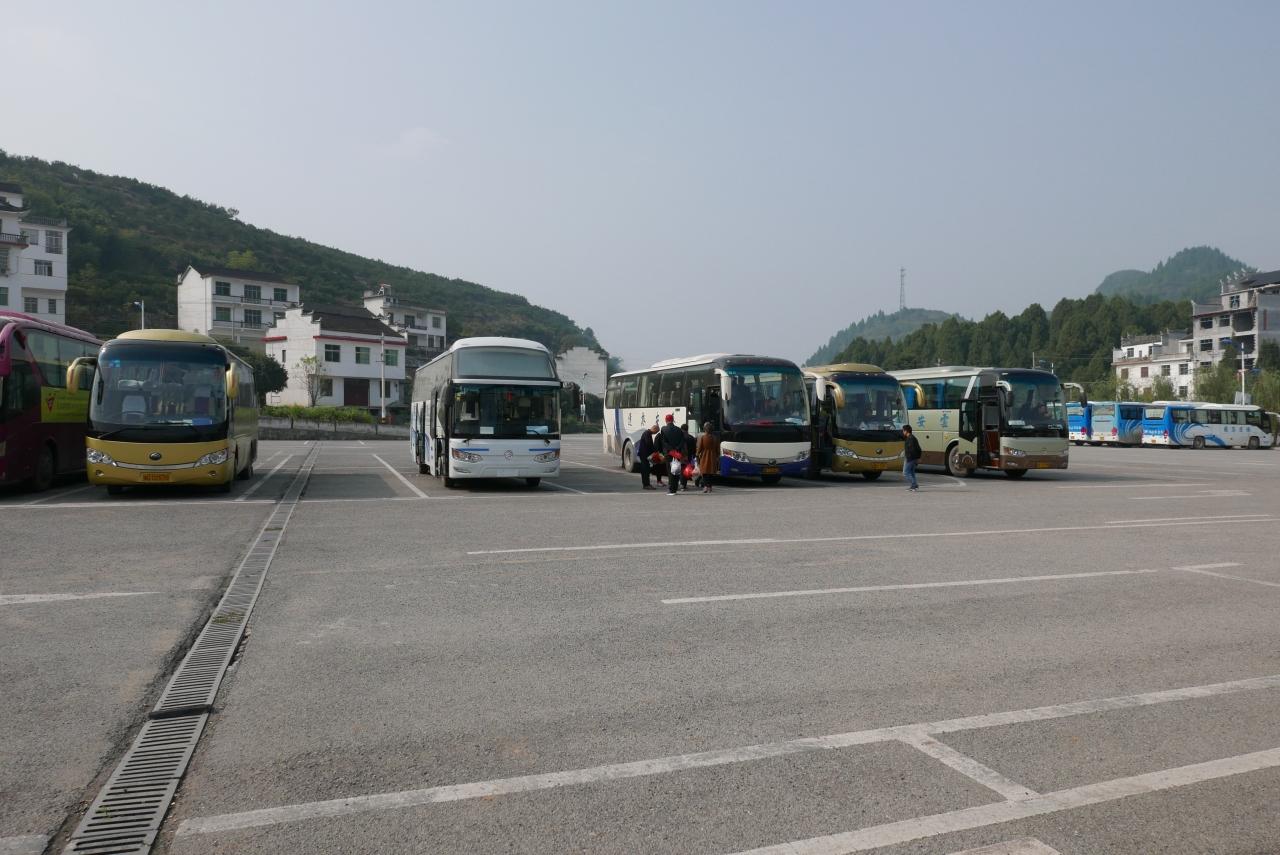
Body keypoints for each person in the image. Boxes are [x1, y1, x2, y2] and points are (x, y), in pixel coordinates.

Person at [659, 414, 685, 495]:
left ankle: (671, 489)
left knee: (670, 471)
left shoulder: (664, 429)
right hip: (677, 453)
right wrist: (677, 448)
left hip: (669, 453)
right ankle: (675, 488)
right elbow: (682, 441)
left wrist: (671, 449)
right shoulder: (679, 429)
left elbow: (664, 442)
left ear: (666, 420)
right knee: (676, 470)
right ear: (673, 420)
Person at [696, 421, 721, 493]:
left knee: (704, 472)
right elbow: (718, 450)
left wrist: (697, 454)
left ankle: (705, 487)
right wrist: (717, 457)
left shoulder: (703, 437)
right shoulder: (715, 438)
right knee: (711, 473)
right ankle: (710, 487)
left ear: (705, 430)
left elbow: (699, 448)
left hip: (704, 456)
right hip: (713, 456)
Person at [635, 423, 658, 490]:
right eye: (656, 432)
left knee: (646, 469)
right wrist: (655, 451)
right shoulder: (647, 434)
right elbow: (649, 444)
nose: (656, 433)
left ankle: (646, 484)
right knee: (645, 470)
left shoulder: (647, 433)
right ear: (654, 429)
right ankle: (646, 484)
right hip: (644, 454)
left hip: (644, 454)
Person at [902, 423, 921, 492]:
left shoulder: (910, 439)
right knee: (912, 473)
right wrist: (918, 458)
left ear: (906, 431)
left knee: (905, 473)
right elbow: (919, 449)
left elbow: (912, 450)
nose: (903, 432)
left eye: (903, 430)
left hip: (910, 459)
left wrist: (909, 458)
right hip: (913, 458)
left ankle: (914, 485)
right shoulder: (912, 438)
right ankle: (914, 486)